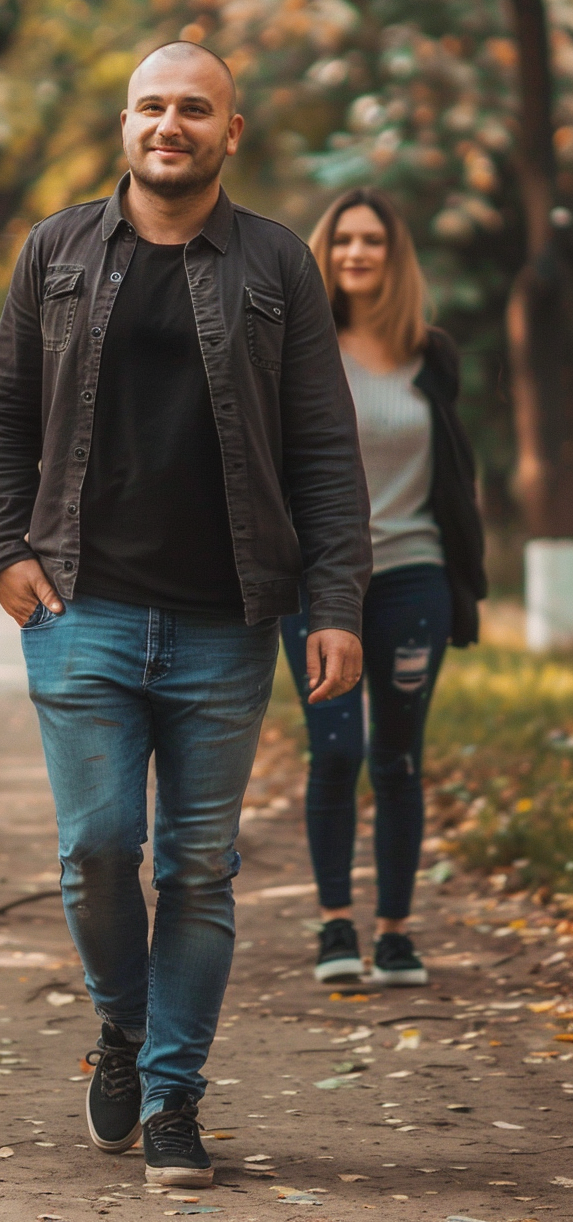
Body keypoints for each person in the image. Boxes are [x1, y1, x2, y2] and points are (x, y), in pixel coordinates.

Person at [0, 42, 372, 1189]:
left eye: (194, 108)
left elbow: (320, 449)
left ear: (228, 132)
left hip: (226, 621)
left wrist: (334, 600)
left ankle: (172, 1092)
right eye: (151, 105)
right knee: (98, 852)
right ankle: (122, 1026)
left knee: (197, 869)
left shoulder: (276, 263)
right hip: (81, 608)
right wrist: (4, 551)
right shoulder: (55, 249)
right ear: (125, 122)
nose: (169, 124)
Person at [281, 188, 486, 988]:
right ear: (323, 255)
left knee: (398, 758)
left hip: (413, 577)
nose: (356, 254)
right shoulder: (300, 345)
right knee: (337, 752)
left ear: (394, 257)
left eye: (372, 241)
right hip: (317, 582)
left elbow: (450, 470)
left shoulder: (431, 352)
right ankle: (336, 925)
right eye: (342, 242)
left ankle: (396, 931)